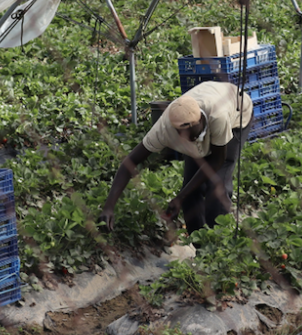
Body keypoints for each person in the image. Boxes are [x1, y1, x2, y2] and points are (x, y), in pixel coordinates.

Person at [98, 81, 253, 235]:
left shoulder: (218, 116)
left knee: (217, 187)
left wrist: (180, 196)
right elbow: (130, 163)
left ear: (199, 120)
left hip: (237, 111)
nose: (184, 136)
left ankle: (219, 245)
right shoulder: (165, 128)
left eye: (190, 132)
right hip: (207, 99)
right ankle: (201, 248)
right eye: (180, 132)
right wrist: (109, 207)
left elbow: (216, 161)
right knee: (191, 193)